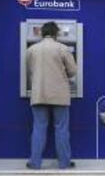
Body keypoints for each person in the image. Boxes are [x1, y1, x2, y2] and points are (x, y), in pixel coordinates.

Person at [26, 21, 77, 169]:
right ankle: (64, 163)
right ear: (56, 33)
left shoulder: (32, 49)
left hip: (39, 93)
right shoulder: (63, 48)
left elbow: (31, 71)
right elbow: (73, 71)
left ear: (42, 33)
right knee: (61, 129)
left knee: (39, 128)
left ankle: (35, 163)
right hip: (59, 95)